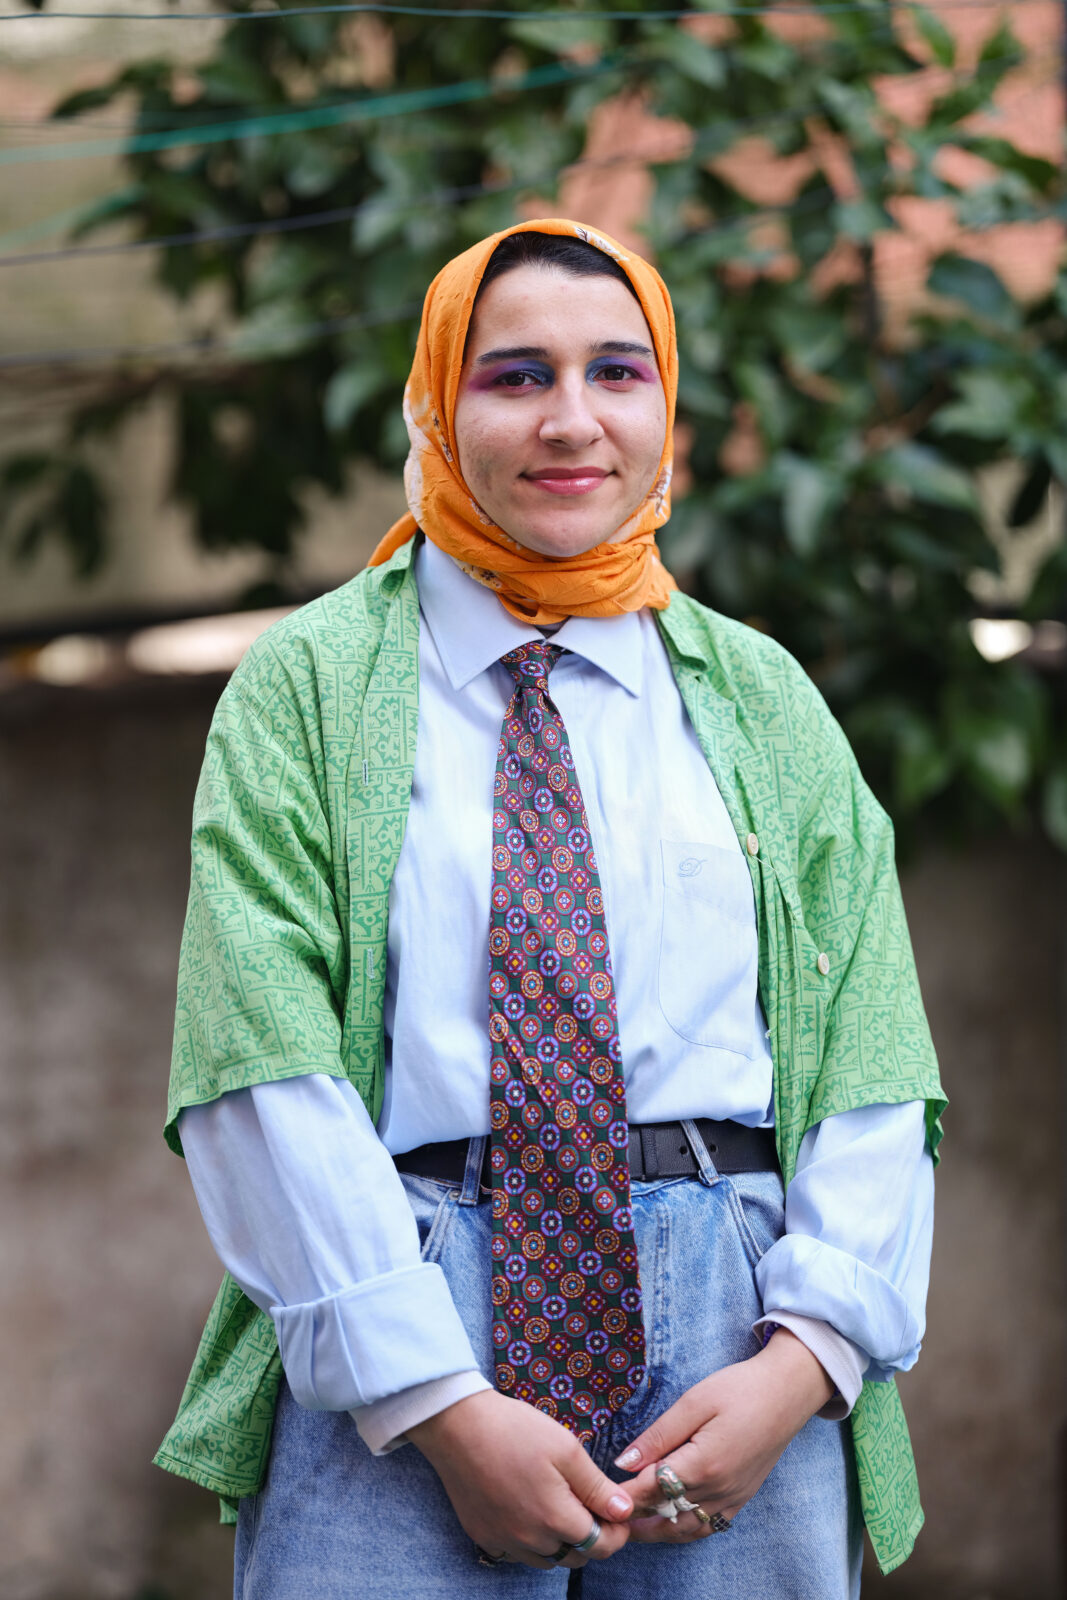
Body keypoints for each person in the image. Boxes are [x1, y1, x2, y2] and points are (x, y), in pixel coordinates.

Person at [156, 218, 945, 1599]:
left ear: (668, 408)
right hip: (407, 1310)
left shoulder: (765, 700)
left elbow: (876, 1055)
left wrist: (808, 1355)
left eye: (618, 374)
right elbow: (258, 1066)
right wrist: (435, 1403)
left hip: (737, 1324)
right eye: (515, 375)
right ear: (439, 404)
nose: (572, 420)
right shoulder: (306, 691)